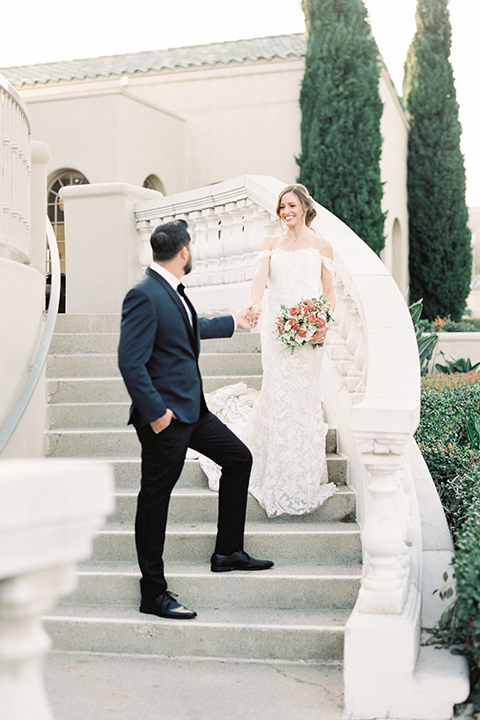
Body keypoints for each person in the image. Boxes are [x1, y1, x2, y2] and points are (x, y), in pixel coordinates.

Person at [118, 219, 273, 621]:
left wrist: (233, 322)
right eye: (192, 246)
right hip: (166, 419)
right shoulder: (143, 294)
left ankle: (227, 551)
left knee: (239, 459)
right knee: (155, 502)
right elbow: (130, 362)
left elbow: (188, 330)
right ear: (184, 251)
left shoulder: (169, 291)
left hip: (194, 411)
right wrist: (156, 415)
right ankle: (153, 592)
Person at [241, 184, 337, 518]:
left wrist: (322, 323)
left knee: (303, 397)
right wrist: (254, 303)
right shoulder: (270, 244)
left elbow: (328, 291)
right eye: (282, 207)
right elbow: (259, 280)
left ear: (305, 208)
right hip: (276, 331)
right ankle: (276, 474)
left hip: (310, 332)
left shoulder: (323, 246)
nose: (286, 212)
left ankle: (303, 475)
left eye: (291, 205)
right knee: (279, 394)